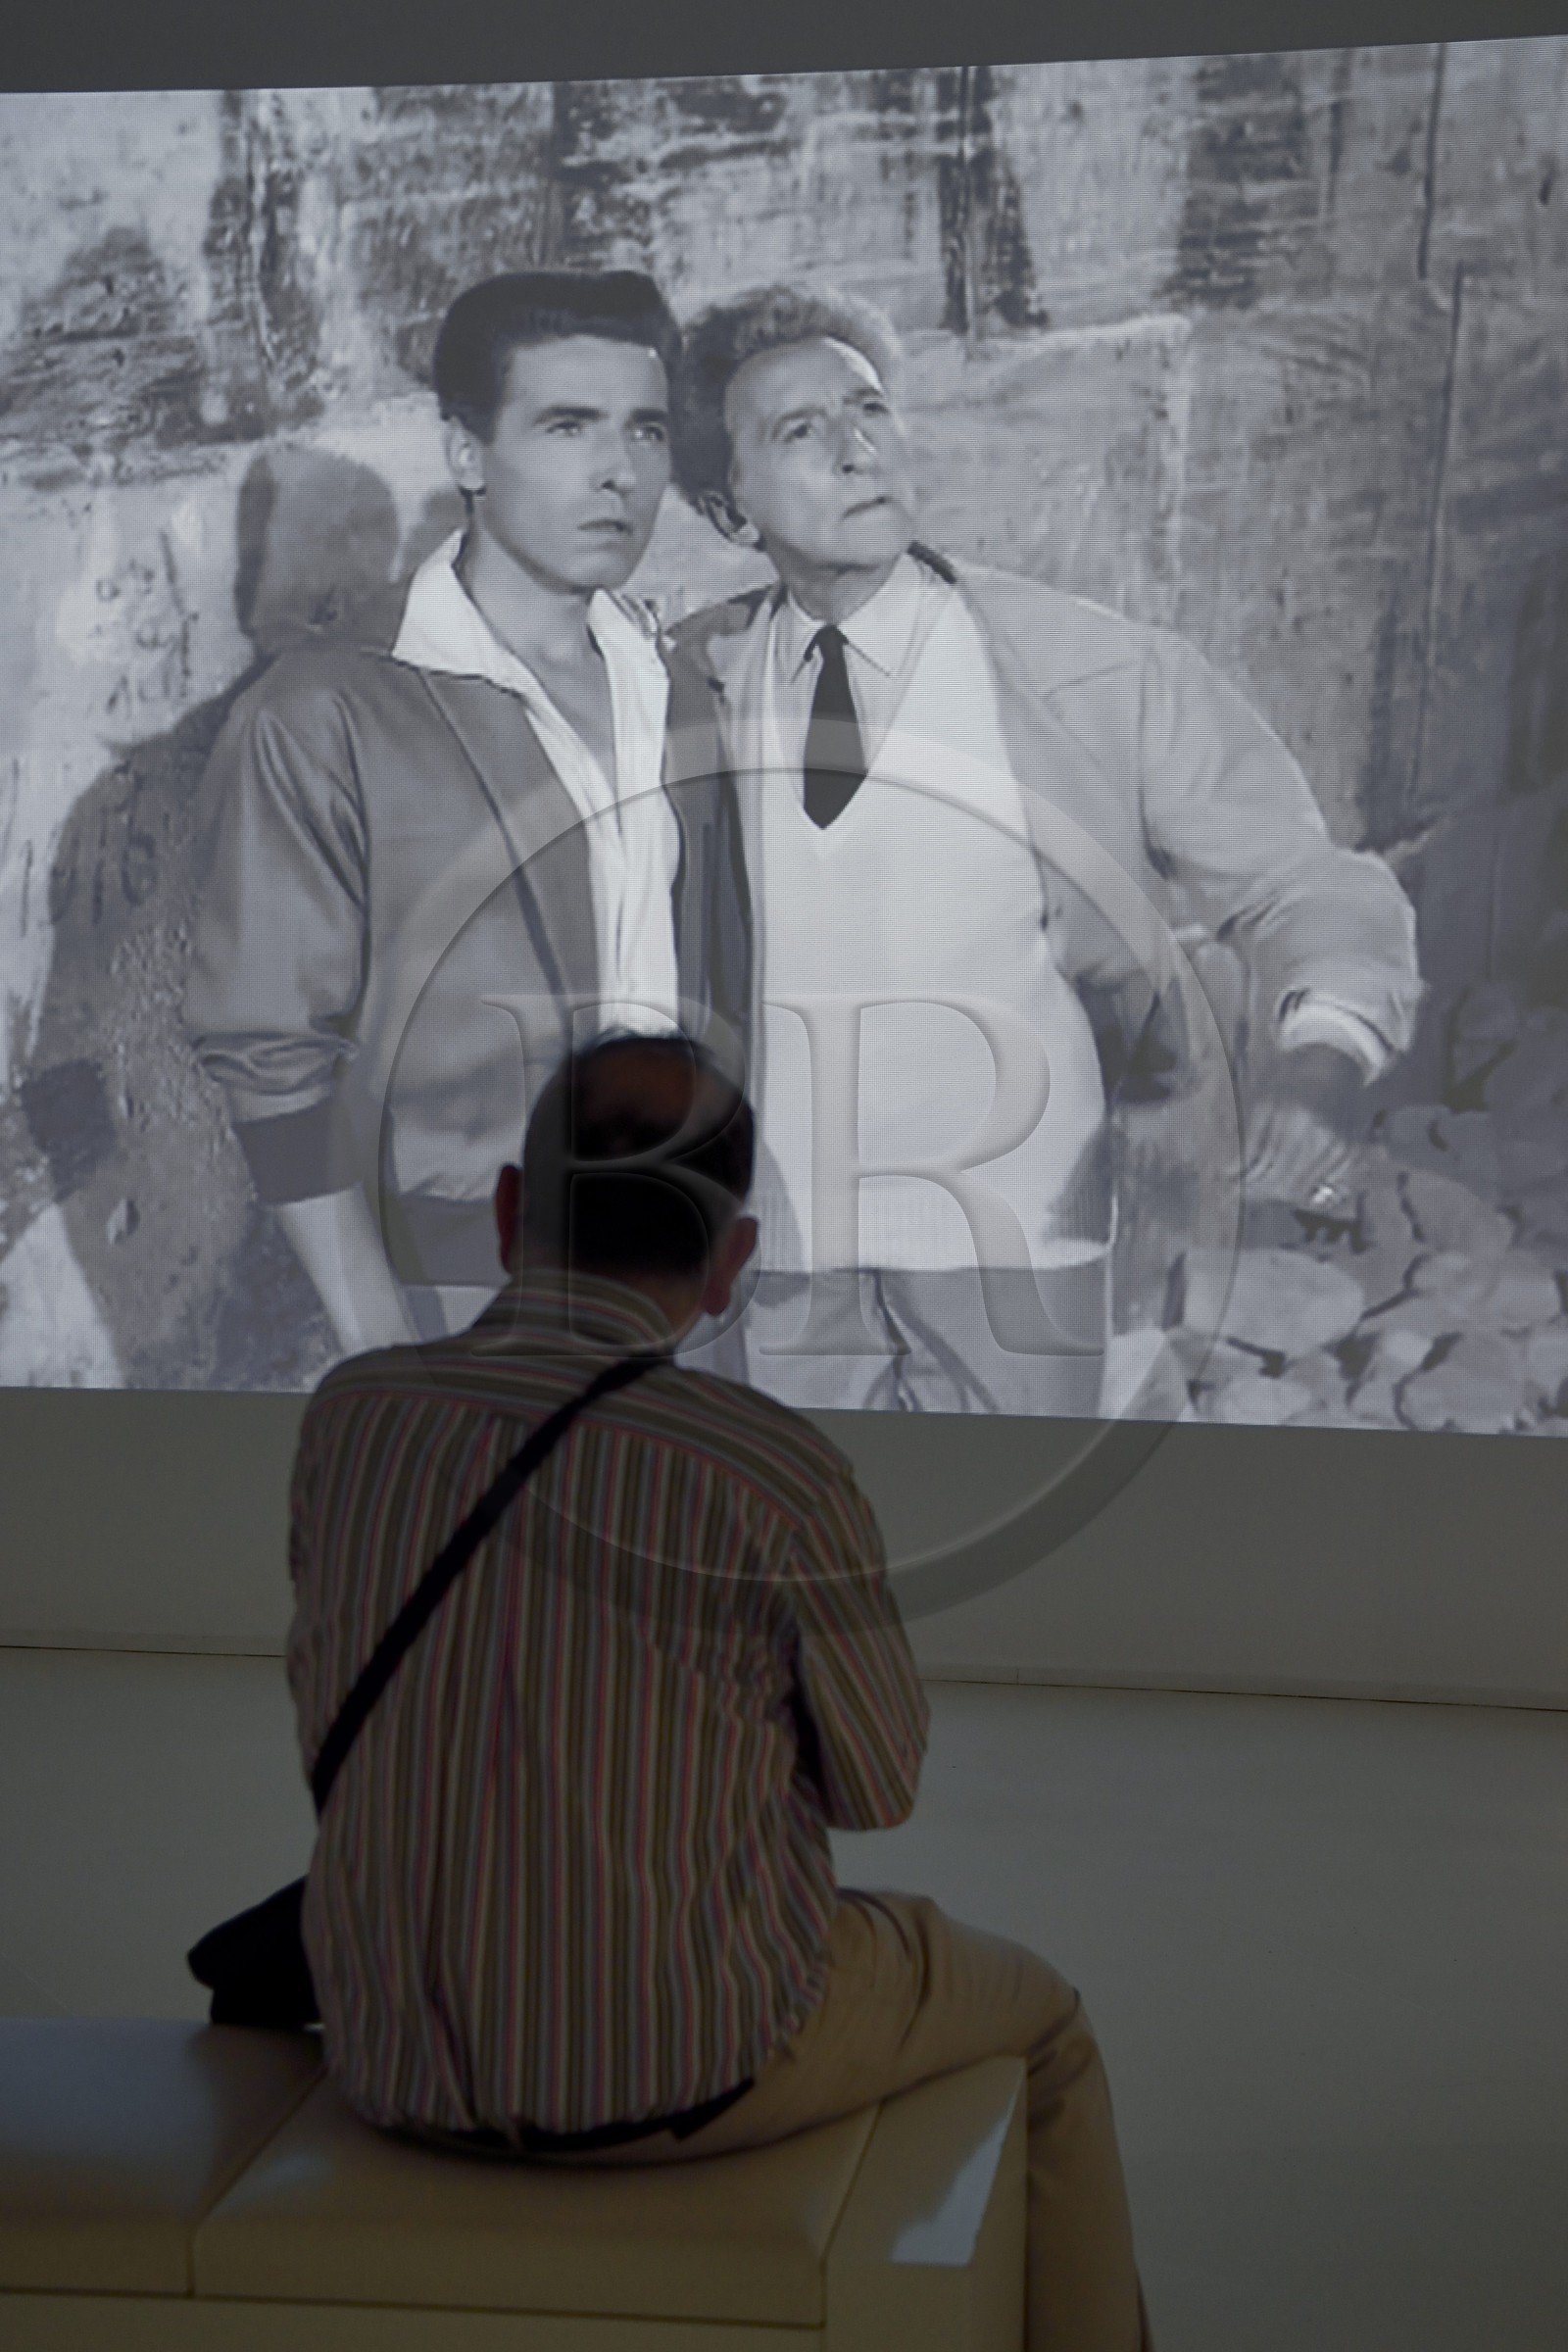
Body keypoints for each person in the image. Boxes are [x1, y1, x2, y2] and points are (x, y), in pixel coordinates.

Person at [285, 1031, 1152, 2352]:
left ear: (516, 1210)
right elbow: (879, 1789)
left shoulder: (351, 1419)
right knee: (1044, 2027)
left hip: (388, 2065)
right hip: (686, 2077)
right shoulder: (770, 1473)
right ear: (731, 1268)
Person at [667, 283, 1424, 1412]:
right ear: (733, 513)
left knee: (997, 1558)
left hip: (1013, 1234)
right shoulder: (690, 683)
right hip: (782, 1243)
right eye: (800, 432)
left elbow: (1297, 881)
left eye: (868, 408)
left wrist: (1320, 1058)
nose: (856, 448)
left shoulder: (1090, 672)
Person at [184, 270, 747, 1353]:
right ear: (466, 452)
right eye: (566, 426)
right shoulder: (324, 711)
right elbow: (268, 1056)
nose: (616, 473)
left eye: (644, 432)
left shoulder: (671, 682)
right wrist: (382, 1345)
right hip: (456, 1282)